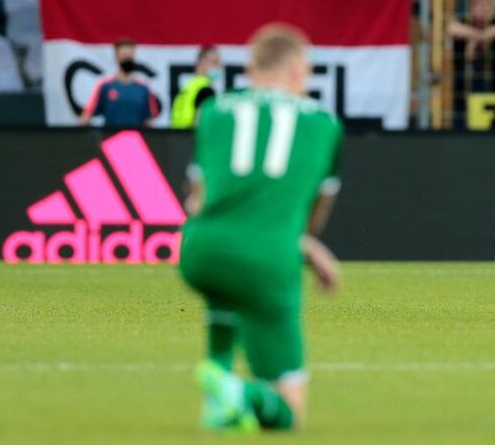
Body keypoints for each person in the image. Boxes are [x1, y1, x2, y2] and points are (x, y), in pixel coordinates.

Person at [179, 23, 342, 433]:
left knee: (224, 297)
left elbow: (196, 196)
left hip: (200, 250)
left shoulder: (215, 111)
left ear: (251, 69)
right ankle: (240, 393)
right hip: (267, 257)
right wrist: (303, 246)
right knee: (288, 412)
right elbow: (313, 213)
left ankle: (217, 391)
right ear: (295, 69)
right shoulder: (322, 123)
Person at [79, 38, 160, 128]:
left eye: (130, 56)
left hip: (135, 140)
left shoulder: (144, 88)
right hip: (111, 139)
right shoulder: (105, 85)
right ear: (117, 57)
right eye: (124, 56)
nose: (127, 60)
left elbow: (149, 121)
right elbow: (86, 117)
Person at [171, 45, 221, 129]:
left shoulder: (188, 87)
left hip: (177, 136)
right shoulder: (205, 90)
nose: (219, 67)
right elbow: (202, 121)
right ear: (202, 63)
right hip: (192, 136)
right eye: (215, 63)